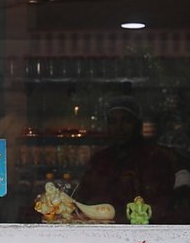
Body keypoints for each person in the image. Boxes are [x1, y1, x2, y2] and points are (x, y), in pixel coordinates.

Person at [74, 96, 183, 224]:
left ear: (138, 125)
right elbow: (81, 203)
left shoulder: (156, 159)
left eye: (126, 121)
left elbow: (165, 208)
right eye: (113, 122)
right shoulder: (99, 161)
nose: (119, 127)